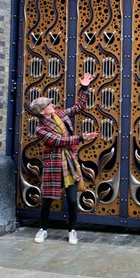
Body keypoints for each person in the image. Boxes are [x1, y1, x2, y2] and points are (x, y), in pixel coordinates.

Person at [30, 72, 98, 245]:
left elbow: (78, 108)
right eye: (48, 104)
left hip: (69, 162)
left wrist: (84, 87)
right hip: (54, 164)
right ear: (41, 111)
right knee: (47, 199)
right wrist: (81, 137)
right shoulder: (40, 129)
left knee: (72, 199)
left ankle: (72, 230)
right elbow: (59, 141)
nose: (52, 105)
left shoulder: (60, 115)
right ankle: (43, 229)